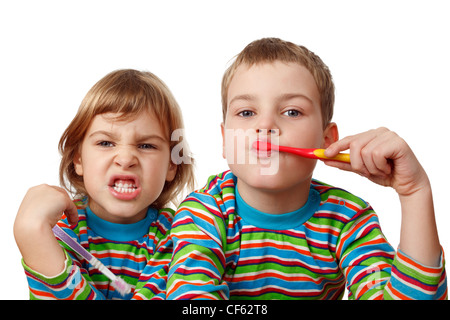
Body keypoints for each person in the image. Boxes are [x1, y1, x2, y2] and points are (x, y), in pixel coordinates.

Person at [166, 38, 447, 300]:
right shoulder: (202, 213)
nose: (265, 126)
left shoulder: (348, 219)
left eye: (292, 112)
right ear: (226, 141)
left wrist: (414, 192)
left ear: (327, 140)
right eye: (247, 113)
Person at [14, 69, 195, 300]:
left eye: (146, 146)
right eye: (106, 143)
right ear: (78, 158)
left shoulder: (179, 236)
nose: (126, 158)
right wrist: (33, 234)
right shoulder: (60, 231)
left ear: (172, 165)